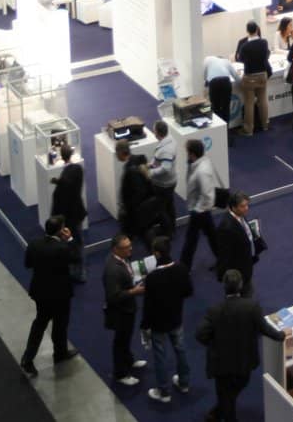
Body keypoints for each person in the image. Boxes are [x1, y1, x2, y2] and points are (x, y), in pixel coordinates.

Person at [195, 268, 284, 422]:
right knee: (232, 394)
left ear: (224, 286)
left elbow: (200, 334)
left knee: (226, 396)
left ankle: (217, 412)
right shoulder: (252, 307)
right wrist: (281, 335)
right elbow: (265, 329)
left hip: (221, 365)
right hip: (244, 362)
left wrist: (214, 344)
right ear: (241, 285)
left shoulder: (215, 311)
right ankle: (219, 413)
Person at [19, 217, 78, 377]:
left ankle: (28, 358)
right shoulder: (62, 248)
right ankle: (60, 353)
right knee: (60, 324)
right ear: (61, 230)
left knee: (39, 324)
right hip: (60, 294)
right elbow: (76, 258)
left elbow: (28, 264)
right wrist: (70, 239)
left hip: (41, 292)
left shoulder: (34, 244)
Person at [141, 235, 194, 403]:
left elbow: (148, 306)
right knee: (181, 349)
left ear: (156, 254)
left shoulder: (152, 278)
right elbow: (188, 291)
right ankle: (184, 383)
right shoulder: (182, 269)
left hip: (158, 323)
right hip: (176, 317)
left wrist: (144, 326)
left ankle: (163, 391)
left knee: (160, 356)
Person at [104, 233, 147, 385]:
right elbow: (113, 296)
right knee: (120, 341)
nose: (130, 249)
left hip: (128, 308)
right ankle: (120, 373)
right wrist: (134, 291)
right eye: (126, 247)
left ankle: (129, 361)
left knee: (126, 338)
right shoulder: (112, 270)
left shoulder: (122, 259)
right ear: (116, 249)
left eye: (130, 245)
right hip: (120, 312)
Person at [180, 139, 221, 270]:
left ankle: (184, 268)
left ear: (192, 154)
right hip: (201, 209)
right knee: (212, 235)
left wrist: (197, 210)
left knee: (191, 240)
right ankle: (223, 259)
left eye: (187, 152)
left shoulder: (201, 171)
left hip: (199, 210)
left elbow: (207, 195)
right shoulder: (199, 163)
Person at [49, 147, 88, 280]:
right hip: (75, 215)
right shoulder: (77, 170)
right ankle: (78, 272)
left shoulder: (66, 180)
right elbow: (70, 184)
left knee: (73, 244)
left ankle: (76, 271)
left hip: (68, 218)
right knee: (77, 243)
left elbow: (67, 184)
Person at [211, 191, 262, 293]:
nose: (246, 208)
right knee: (243, 294)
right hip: (238, 270)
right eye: (243, 206)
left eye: (247, 205)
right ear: (233, 207)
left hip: (246, 263)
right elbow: (224, 254)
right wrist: (224, 276)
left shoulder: (240, 215)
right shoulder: (226, 228)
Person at [235, 22, 273, 135]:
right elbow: (266, 55)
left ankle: (248, 129)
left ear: (247, 31)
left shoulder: (245, 46)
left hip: (250, 76)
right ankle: (265, 124)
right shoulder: (264, 42)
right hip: (262, 75)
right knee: (263, 100)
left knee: (249, 103)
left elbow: (240, 59)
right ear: (257, 29)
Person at [146, 120, 179, 242]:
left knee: (161, 209)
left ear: (158, 133)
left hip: (164, 184)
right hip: (170, 181)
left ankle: (167, 232)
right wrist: (151, 164)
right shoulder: (170, 140)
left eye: (154, 130)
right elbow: (159, 160)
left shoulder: (166, 149)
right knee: (169, 206)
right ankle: (172, 228)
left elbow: (165, 167)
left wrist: (150, 173)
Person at [204, 55, 234, 127]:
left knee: (215, 107)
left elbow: (204, 73)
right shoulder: (227, 62)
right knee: (226, 108)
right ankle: (226, 131)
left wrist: (206, 81)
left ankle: (217, 129)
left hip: (214, 83)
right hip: (226, 81)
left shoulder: (208, 59)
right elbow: (235, 75)